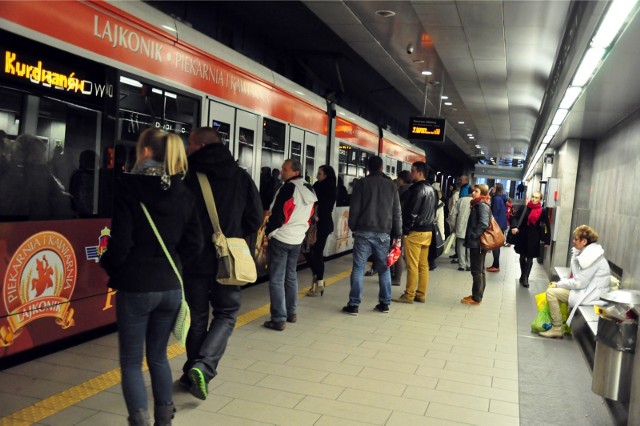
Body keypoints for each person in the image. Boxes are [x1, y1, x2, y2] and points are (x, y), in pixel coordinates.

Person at [99, 129, 203, 425]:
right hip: (170, 286)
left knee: (131, 362)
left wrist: (111, 268)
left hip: (136, 286)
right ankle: (164, 419)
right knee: (157, 356)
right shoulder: (183, 192)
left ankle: (140, 421)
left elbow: (120, 244)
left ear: (145, 151)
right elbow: (194, 244)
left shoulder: (129, 188)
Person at [180, 127, 263, 400]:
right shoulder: (240, 177)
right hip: (228, 261)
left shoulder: (188, 176)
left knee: (198, 318)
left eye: (190, 144)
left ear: (202, 146)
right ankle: (203, 367)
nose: (187, 148)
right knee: (226, 314)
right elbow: (254, 218)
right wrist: (234, 233)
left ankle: (192, 369)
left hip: (194, 260)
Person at [343, 156, 401, 315]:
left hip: (363, 232)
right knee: (384, 269)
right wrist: (397, 233)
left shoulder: (361, 184)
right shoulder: (391, 186)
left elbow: (354, 208)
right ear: (382, 168)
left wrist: (353, 226)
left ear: (368, 168)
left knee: (358, 268)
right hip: (383, 233)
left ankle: (354, 305)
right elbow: (397, 212)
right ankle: (384, 303)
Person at [264, 159, 317, 330]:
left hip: (281, 239)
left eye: (285, 169)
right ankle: (291, 313)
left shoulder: (288, 188)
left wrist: (269, 233)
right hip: (297, 239)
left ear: (295, 172)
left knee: (277, 279)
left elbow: (278, 216)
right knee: (291, 276)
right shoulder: (309, 188)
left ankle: (278, 318)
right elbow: (311, 216)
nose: (281, 172)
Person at [540, 225, 610, 338]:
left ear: (584, 241)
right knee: (555, 290)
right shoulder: (589, 254)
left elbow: (579, 282)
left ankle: (557, 327)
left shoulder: (591, 257)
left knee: (551, 292)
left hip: (591, 295)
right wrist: (575, 255)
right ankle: (560, 325)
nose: (573, 241)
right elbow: (577, 276)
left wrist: (558, 283)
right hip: (586, 291)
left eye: (576, 239)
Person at [393, 161, 436, 304]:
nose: (410, 173)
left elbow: (412, 212)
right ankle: (421, 294)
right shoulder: (431, 190)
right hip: (428, 231)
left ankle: (409, 295)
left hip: (415, 232)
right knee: (423, 265)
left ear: (419, 173)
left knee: (412, 265)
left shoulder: (417, 189)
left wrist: (405, 230)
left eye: (412, 171)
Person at [305, 165, 337, 297]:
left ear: (326, 175)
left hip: (322, 224)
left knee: (317, 252)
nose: (317, 176)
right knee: (308, 251)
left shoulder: (330, 188)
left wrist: (317, 214)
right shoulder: (316, 186)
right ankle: (318, 279)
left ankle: (319, 282)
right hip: (313, 224)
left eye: (320, 173)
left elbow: (326, 207)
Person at [510, 191, 550, 288]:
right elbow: (515, 217)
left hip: (534, 236)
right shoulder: (524, 208)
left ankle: (525, 278)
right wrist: (514, 227)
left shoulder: (542, 211)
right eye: (533, 197)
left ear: (540, 200)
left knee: (530, 257)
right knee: (522, 257)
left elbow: (547, 226)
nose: (533, 199)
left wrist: (547, 240)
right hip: (522, 235)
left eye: (536, 198)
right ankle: (523, 274)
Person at [461, 184, 492, 305]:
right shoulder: (478, 204)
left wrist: (474, 235)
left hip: (477, 243)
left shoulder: (481, 205)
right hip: (478, 242)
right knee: (480, 270)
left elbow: (483, 224)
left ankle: (476, 297)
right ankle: (478, 295)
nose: (473, 193)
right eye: (474, 191)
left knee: (477, 271)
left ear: (482, 194)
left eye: (476, 191)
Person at [391, 170, 412, 286]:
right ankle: (395, 275)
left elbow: (398, 211)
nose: (397, 180)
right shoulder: (412, 190)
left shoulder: (402, 192)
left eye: (398, 178)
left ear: (402, 180)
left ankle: (397, 278)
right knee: (398, 250)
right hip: (405, 226)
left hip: (401, 226)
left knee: (397, 251)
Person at [487, 183, 508, 272]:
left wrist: (491, 224)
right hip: (502, 224)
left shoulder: (496, 198)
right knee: (497, 245)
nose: (492, 188)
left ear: (497, 188)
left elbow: (495, 213)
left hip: (497, 224)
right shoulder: (502, 198)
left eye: (494, 187)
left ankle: (496, 265)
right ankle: (495, 264)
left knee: (495, 246)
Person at [449, 190, 472, 271]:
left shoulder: (460, 200)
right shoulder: (477, 201)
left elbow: (453, 214)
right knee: (470, 246)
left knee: (460, 245)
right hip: (472, 228)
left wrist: (453, 226)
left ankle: (462, 265)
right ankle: (469, 264)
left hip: (460, 226)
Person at [428, 189, 445, 271]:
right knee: (432, 246)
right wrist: (442, 236)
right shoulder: (439, 204)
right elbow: (440, 220)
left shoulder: (426, 201)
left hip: (423, 226)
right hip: (434, 227)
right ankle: (432, 263)